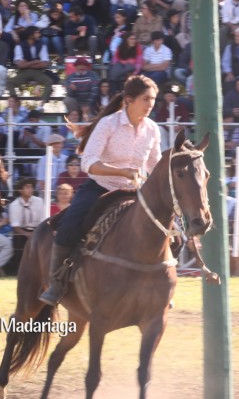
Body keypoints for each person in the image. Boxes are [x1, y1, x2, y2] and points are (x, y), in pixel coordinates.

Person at [40, 75, 161, 305]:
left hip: (135, 191)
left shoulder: (153, 129)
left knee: (167, 229)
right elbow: (88, 162)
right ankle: (57, 282)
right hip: (100, 188)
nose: (151, 104)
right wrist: (122, 172)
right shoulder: (108, 124)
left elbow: (154, 164)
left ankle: (157, 282)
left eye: (153, 99)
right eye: (146, 99)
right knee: (70, 225)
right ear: (129, 99)